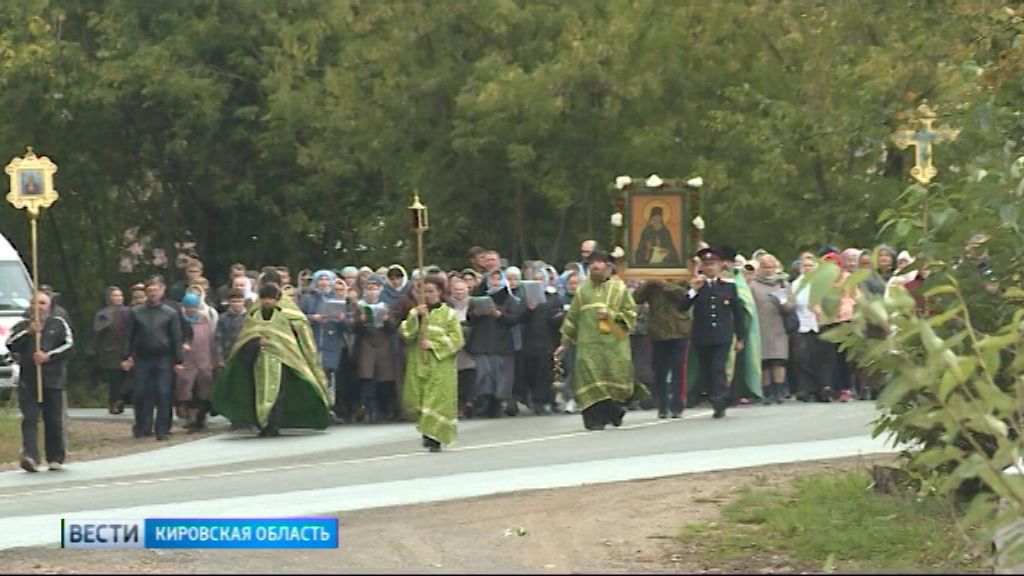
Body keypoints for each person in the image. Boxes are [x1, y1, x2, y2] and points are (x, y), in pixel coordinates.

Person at [212, 283, 331, 436]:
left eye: (271, 299)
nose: (267, 302)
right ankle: (263, 424)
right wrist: (256, 342)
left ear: (277, 300)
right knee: (259, 393)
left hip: (284, 360)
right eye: (264, 298)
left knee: (278, 394)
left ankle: (273, 424)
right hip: (259, 360)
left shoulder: (289, 316)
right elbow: (245, 338)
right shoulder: (254, 316)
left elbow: (300, 338)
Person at [556, 249, 640, 430]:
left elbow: (631, 314)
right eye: (592, 263)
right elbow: (572, 318)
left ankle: (614, 412)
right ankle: (595, 420)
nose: (594, 266)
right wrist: (564, 343)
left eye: (599, 262)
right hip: (587, 346)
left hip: (614, 346)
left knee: (611, 382)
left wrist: (611, 315)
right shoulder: (582, 290)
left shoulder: (619, 288)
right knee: (588, 381)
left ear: (608, 266)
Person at [9, 292, 74, 472]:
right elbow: (10, 344)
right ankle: (30, 456)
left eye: (42, 303)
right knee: (29, 418)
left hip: (53, 380)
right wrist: (28, 332)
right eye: (35, 303)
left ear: (49, 305)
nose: (38, 307)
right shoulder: (22, 326)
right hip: (28, 381)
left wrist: (48, 356)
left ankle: (55, 457)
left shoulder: (58, 323)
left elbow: (69, 346)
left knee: (53, 420)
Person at [399, 275, 465, 452]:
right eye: (423, 292)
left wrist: (434, 345)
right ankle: (426, 430)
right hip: (418, 362)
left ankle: (433, 437)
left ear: (439, 292)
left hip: (441, 364)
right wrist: (416, 318)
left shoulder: (449, 314)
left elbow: (457, 339)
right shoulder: (415, 312)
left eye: (430, 291)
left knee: (437, 401)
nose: (427, 295)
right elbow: (406, 334)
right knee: (416, 398)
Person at [681, 247, 746, 419]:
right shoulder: (697, 286)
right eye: (706, 264)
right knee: (706, 369)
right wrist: (693, 290)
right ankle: (714, 396)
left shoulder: (728, 286)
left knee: (718, 368)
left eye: (713, 264)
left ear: (719, 266)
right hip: (702, 335)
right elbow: (682, 307)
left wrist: (740, 337)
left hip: (722, 335)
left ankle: (720, 399)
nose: (710, 268)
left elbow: (737, 313)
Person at [122, 277, 185, 440]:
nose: (152, 294)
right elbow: (129, 336)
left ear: (162, 291)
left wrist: (179, 360)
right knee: (141, 392)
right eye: (149, 291)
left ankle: (162, 429)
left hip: (164, 357)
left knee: (164, 393)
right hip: (142, 357)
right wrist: (126, 356)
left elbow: (176, 338)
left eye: (155, 290)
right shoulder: (136, 312)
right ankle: (142, 425)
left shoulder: (170, 313)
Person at [634, 273, 693, 418]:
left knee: (677, 369)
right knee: (659, 370)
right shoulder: (652, 285)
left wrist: (664, 284)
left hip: (678, 331)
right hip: (658, 332)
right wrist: (648, 283)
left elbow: (685, 299)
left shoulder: (682, 279)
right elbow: (636, 298)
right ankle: (662, 405)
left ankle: (677, 405)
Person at [467, 268, 523, 418]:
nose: (495, 282)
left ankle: (497, 404)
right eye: (493, 279)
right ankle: (484, 403)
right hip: (482, 342)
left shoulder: (510, 300)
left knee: (501, 377)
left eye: (499, 279)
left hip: (502, 344)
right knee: (484, 375)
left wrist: (499, 315)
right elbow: (469, 318)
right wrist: (476, 314)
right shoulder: (478, 297)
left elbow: (515, 319)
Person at [748, 254, 793, 404]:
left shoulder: (783, 284)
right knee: (765, 361)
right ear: (760, 268)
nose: (768, 270)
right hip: (760, 327)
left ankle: (779, 392)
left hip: (779, 327)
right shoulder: (753, 285)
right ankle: (767, 392)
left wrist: (782, 303)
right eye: (765, 267)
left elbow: (791, 306)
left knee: (779, 359)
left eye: (771, 267)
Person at [354, 275, 399, 423]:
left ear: (380, 290)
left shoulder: (386, 307)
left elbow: (393, 329)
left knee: (384, 380)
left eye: (375, 289)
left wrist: (386, 321)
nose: (371, 292)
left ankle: (384, 410)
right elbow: (354, 329)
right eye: (369, 289)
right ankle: (369, 409)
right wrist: (360, 321)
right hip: (366, 344)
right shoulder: (359, 307)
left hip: (383, 345)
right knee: (367, 379)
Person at [91, 286, 131, 415]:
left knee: (127, 378)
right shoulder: (103, 314)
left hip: (126, 348)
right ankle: (114, 402)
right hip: (110, 351)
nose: (118, 298)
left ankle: (123, 399)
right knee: (114, 379)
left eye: (120, 295)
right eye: (115, 295)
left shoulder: (128, 311)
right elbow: (98, 331)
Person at [447, 277, 477, 418]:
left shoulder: (474, 304)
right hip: (453, 344)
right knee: (456, 377)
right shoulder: (446, 306)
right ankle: (459, 405)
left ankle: (469, 401)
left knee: (469, 374)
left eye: (461, 289)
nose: (459, 292)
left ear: (467, 290)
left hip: (470, 343)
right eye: (456, 289)